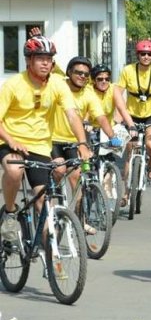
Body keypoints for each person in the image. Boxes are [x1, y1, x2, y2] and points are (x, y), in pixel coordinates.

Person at [0, 34, 92, 242]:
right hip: (10, 141)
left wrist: (83, 143)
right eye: (40, 58)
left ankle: (51, 256)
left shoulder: (58, 84)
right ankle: (10, 213)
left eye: (49, 59)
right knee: (14, 171)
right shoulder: (13, 85)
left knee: (45, 204)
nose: (45, 63)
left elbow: (72, 114)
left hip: (41, 147)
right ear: (29, 61)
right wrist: (11, 140)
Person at [50, 57, 122, 233]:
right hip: (51, 139)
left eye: (86, 74)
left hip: (75, 141)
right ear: (69, 73)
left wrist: (112, 136)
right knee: (59, 170)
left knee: (77, 178)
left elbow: (101, 117)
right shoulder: (59, 85)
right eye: (78, 73)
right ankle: (52, 208)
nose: (82, 76)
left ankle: (79, 219)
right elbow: (49, 69)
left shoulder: (88, 93)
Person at [114, 40, 151, 181]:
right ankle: (127, 193)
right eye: (143, 54)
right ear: (137, 55)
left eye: (150, 54)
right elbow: (117, 94)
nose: (146, 56)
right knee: (131, 150)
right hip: (132, 114)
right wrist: (117, 115)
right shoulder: (127, 70)